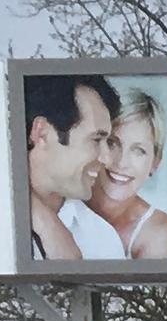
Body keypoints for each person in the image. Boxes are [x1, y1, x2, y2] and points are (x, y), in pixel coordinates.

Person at [21, 71, 123, 263]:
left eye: (107, 141)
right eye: (96, 139)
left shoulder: (101, 239)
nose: (107, 159)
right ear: (42, 132)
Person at [89, 90, 167, 261]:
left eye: (139, 151)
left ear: (155, 163)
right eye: (112, 143)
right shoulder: (66, 198)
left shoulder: (157, 230)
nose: (122, 162)